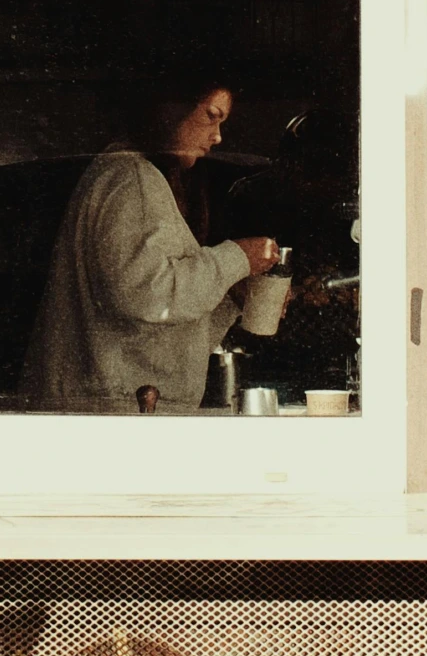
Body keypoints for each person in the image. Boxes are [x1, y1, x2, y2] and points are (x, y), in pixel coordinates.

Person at [19, 68, 280, 414]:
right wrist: (238, 258)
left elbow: (164, 329)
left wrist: (231, 296)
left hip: (118, 406)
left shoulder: (134, 177)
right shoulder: (133, 180)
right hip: (112, 413)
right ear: (171, 110)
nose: (217, 137)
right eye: (211, 117)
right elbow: (148, 296)